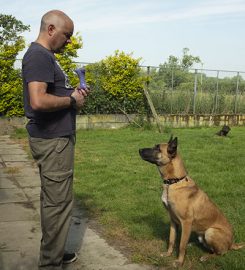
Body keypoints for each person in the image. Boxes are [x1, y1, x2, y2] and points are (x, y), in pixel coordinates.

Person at [22, 10, 89, 270]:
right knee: (57, 206)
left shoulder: (45, 56)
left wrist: (74, 95)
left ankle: (55, 251)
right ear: (51, 29)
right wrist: (71, 99)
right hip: (53, 142)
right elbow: (38, 101)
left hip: (54, 140)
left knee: (54, 202)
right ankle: (50, 264)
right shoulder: (39, 55)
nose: (70, 41)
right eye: (67, 35)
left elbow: (50, 94)